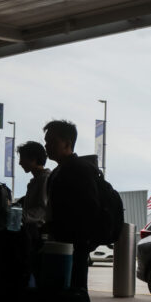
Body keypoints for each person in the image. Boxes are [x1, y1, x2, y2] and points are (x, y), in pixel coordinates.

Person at [43, 120, 100, 291]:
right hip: (64, 243)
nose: (46, 146)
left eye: (52, 141)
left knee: (76, 290)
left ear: (67, 144)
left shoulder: (78, 170)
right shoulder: (59, 171)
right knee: (70, 290)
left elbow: (89, 208)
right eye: (46, 141)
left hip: (74, 244)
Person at [17, 140, 50, 283]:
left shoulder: (44, 179)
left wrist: (19, 216)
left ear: (33, 159)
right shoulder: (35, 180)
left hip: (37, 235)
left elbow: (42, 210)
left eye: (22, 158)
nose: (20, 163)